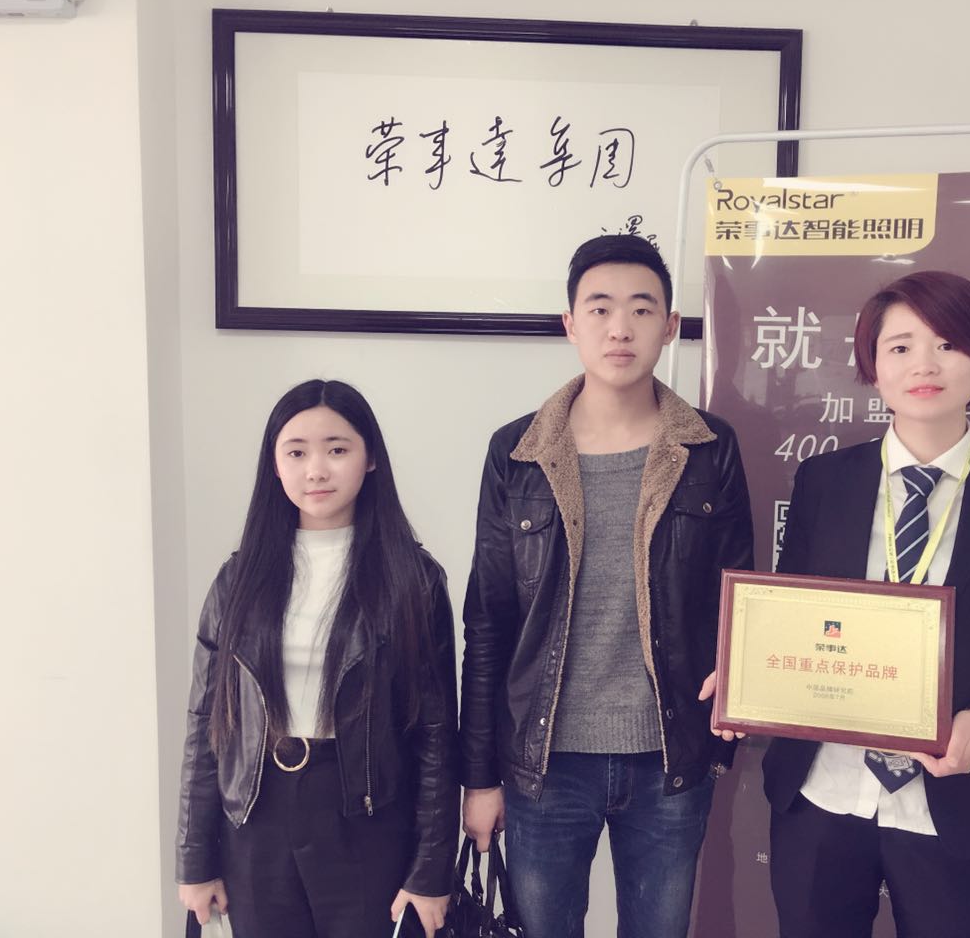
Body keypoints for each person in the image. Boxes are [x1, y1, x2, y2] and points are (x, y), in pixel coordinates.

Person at [759, 271, 970, 938]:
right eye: (900, 347)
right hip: (822, 791)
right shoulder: (824, 482)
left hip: (957, 804)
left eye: (947, 344)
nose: (923, 364)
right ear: (874, 367)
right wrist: (752, 674)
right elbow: (789, 613)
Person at [459, 235, 754, 938]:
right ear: (571, 324)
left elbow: (741, 601)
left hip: (668, 758)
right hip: (545, 760)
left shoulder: (710, 448)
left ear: (670, 326)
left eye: (641, 309)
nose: (620, 328)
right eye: (599, 308)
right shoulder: (517, 453)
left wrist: (724, 729)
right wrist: (480, 777)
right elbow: (488, 621)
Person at [175, 379, 459, 938]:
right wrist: (195, 859)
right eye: (297, 452)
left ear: (370, 458)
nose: (316, 470)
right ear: (275, 465)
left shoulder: (413, 580)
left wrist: (431, 870)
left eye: (337, 449)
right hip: (256, 815)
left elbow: (435, 733)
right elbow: (206, 723)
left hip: (367, 816)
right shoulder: (238, 580)